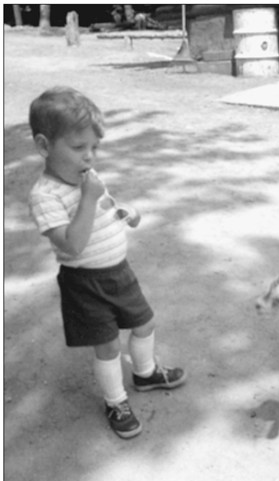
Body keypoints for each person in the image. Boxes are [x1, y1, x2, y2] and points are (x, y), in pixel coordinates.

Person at [28, 86, 186, 439]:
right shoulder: (45, 196)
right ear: (44, 146)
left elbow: (106, 207)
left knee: (145, 322)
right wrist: (88, 198)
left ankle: (145, 373)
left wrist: (126, 212)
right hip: (85, 284)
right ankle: (115, 401)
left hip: (120, 272)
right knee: (108, 344)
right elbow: (72, 245)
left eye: (95, 147)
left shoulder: (91, 181)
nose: (90, 156)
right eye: (79, 147)